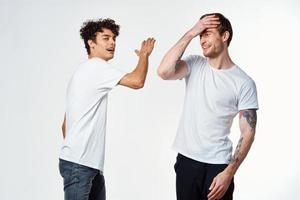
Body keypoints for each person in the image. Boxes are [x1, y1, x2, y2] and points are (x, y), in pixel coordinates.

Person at [157, 13, 258, 200]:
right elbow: (163, 71)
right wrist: (190, 33)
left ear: (225, 36)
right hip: (187, 162)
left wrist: (229, 173)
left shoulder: (244, 82)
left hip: (219, 167)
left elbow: (248, 132)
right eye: (200, 35)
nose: (202, 40)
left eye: (207, 34)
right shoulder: (195, 64)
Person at [59, 18, 155, 200]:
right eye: (106, 38)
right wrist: (144, 56)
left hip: (86, 164)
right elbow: (137, 81)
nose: (112, 43)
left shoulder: (82, 70)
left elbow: (65, 125)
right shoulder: (96, 67)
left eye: (114, 39)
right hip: (80, 165)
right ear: (91, 43)